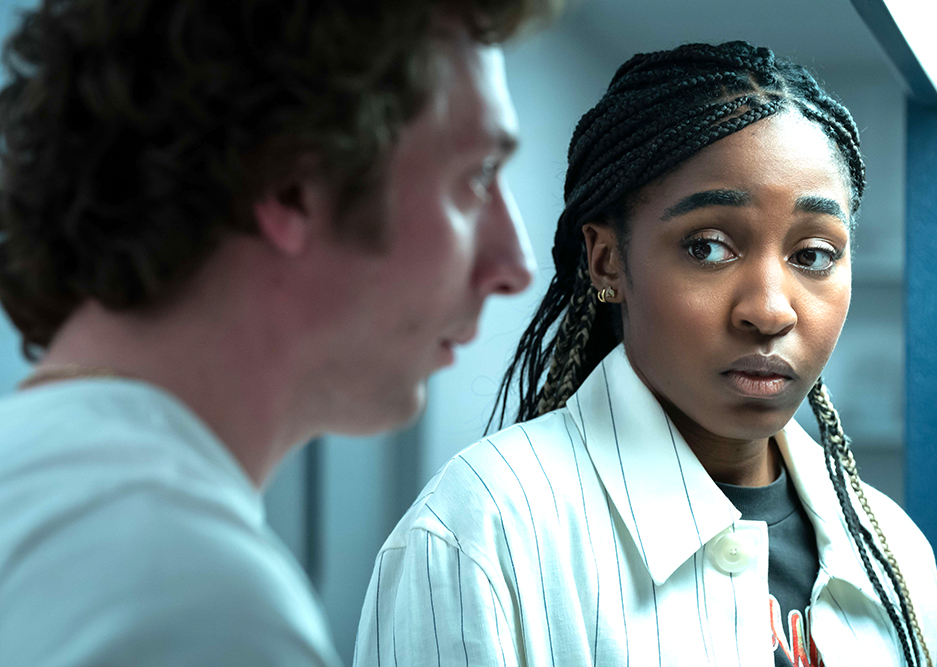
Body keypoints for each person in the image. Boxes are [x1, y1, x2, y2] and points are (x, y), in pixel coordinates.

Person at [355, 42, 937, 666]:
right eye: (708, 247)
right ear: (606, 259)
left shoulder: (894, 555)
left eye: (813, 255)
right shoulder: (479, 532)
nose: (771, 310)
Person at [0, 0, 557, 664]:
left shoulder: (36, 495)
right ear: (292, 186)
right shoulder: (200, 605)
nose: (517, 266)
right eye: (478, 177)